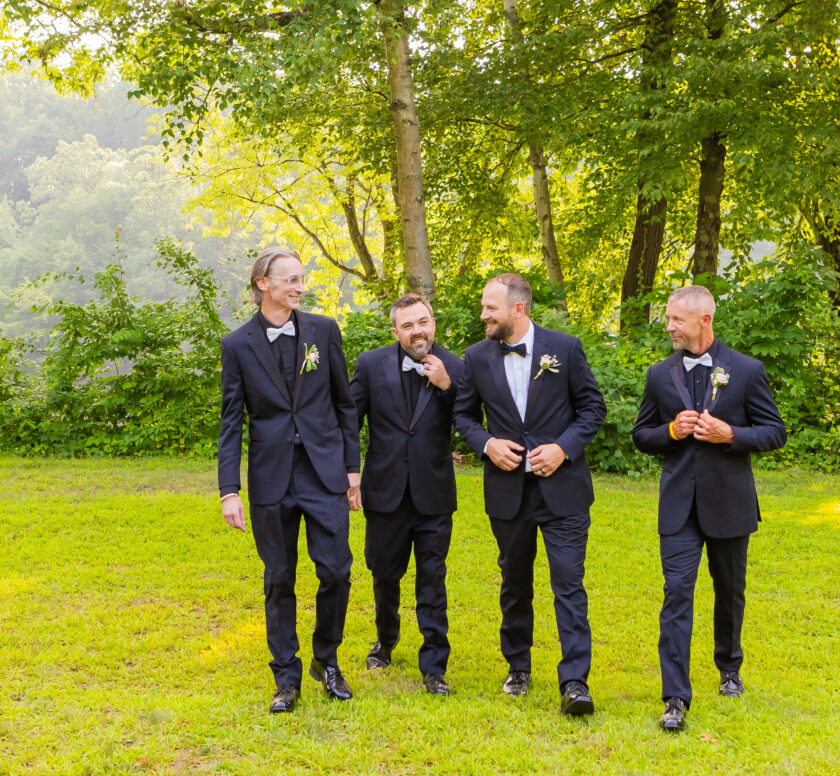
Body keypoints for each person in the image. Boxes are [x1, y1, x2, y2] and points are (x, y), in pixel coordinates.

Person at [632, 285, 786, 731]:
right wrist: (671, 432)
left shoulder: (746, 370)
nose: (669, 326)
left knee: (729, 591)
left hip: (729, 502)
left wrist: (731, 435)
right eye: (668, 318)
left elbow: (774, 432)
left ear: (705, 319)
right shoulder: (659, 375)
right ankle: (675, 698)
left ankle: (729, 668)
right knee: (676, 594)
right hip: (678, 506)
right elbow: (642, 436)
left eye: (676, 319)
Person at [453, 273, 606, 716]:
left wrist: (563, 448)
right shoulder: (476, 357)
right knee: (514, 584)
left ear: (517, 310)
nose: (483, 315)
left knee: (568, 584)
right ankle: (518, 666)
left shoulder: (566, 348)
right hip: (507, 494)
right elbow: (464, 416)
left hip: (564, 492)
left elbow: (593, 408)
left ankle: (575, 682)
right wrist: (486, 444)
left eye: (490, 308)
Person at [218, 246, 361, 713]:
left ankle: (327, 660)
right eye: (291, 279)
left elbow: (345, 404)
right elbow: (231, 422)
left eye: (302, 279)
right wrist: (228, 491)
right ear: (264, 283)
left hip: (324, 474)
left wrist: (352, 468)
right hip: (270, 478)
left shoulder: (323, 330)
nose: (301, 286)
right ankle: (286, 677)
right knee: (279, 579)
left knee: (337, 570)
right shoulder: (237, 344)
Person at [348, 294, 464, 696]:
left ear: (434, 322)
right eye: (409, 325)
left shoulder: (457, 366)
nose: (418, 331)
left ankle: (434, 666)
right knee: (384, 573)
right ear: (395, 331)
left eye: (424, 322)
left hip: (433, 494)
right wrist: (351, 474)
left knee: (433, 579)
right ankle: (386, 639)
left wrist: (447, 385)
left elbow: (471, 420)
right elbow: (350, 421)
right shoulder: (370, 365)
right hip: (384, 491)